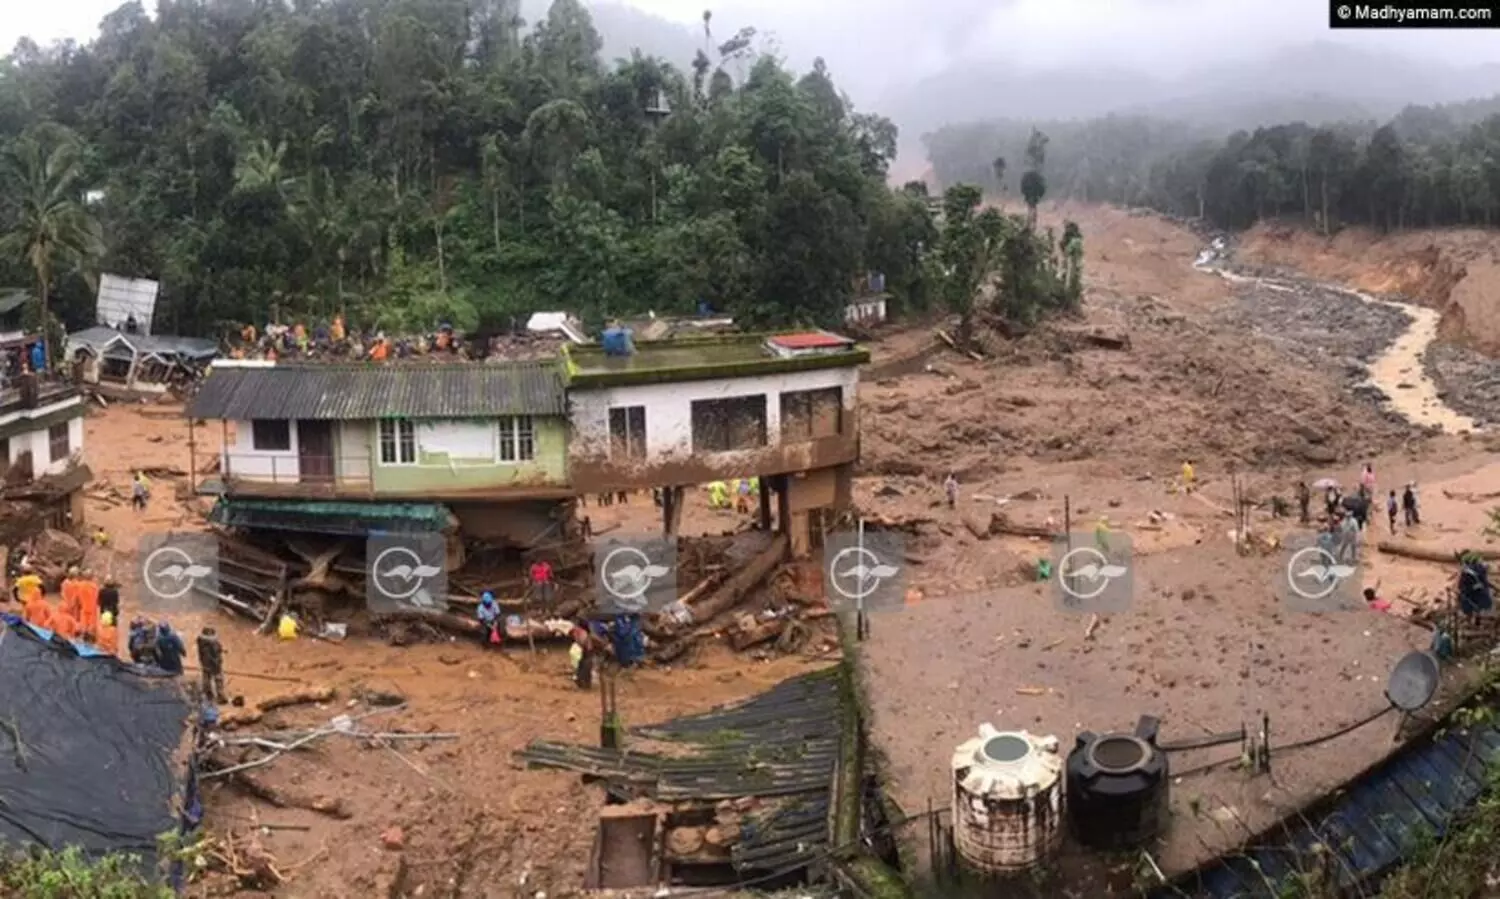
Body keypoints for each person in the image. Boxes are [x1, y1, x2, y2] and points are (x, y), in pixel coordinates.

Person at [196, 626, 226, 702]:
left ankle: (208, 694)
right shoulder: (213, 643)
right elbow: (214, 653)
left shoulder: (200, 641)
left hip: (205, 664)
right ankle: (220, 696)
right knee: (218, 679)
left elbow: (202, 653)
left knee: (206, 678)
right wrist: (217, 661)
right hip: (214, 665)